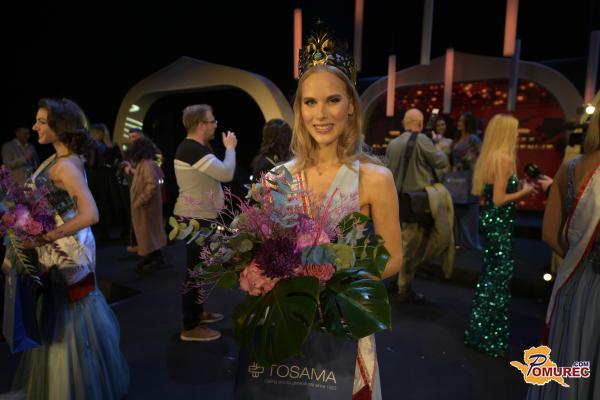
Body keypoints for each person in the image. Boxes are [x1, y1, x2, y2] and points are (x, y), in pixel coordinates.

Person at [283, 25, 403, 399]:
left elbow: (393, 257)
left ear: (351, 105)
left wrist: (338, 288)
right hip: (289, 321)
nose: (321, 114)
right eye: (310, 102)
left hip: (345, 323)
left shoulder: (375, 178)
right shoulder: (277, 178)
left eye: (332, 100)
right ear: (299, 109)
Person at [2, 98, 129, 398]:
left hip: (68, 254)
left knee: (69, 323)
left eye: (42, 122)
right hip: (54, 252)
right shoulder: (56, 160)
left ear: (61, 127)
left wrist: (44, 237)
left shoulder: (66, 166)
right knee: (56, 318)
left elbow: (91, 214)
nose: (35, 127)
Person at [527, 109, 600, 399]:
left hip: (575, 283)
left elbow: (548, 234)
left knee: (569, 358)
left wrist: (578, 259)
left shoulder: (569, 168)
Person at [464, 114, 536, 357]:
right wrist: (524, 191)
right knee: (498, 281)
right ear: (506, 134)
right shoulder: (504, 159)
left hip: (492, 223)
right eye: (514, 131)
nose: (517, 136)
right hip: (499, 225)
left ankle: (479, 334)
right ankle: (490, 339)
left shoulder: (490, 157)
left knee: (489, 278)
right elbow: (499, 199)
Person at [173, 104, 236, 342]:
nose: (215, 125)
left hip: (200, 218)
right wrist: (230, 148)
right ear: (200, 125)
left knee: (199, 269)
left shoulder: (195, 148)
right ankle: (190, 326)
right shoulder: (191, 149)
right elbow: (226, 173)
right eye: (212, 121)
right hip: (195, 219)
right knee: (195, 271)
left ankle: (197, 313)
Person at [386, 108, 449, 303]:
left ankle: (393, 280)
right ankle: (404, 288)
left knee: (395, 245)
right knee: (410, 249)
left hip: (395, 202)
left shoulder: (393, 143)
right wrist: (437, 145)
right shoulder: (422, 140)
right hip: (414, 204)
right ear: (420, 123)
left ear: (404, 123)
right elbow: (441, 161)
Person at [126, 137, 167, 272]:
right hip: (145, 206)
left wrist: (141, 200)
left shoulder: (148, 165)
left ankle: (155, 258)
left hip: (147, 207)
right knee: (149, 233)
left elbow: (152, 184)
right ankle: (152, 256)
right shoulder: (144, 164)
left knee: (149, 232)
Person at [452, 111, 483, 250]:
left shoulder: (473, 139)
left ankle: (470, 241)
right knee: (458, 208)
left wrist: (467, 161)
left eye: (461, 121)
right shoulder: (458, 138)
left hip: (470, 178)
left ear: (467, 123)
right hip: (458, 179)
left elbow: (481, 157)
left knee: (470, 208)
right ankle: (459, 240)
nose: (458, 123)